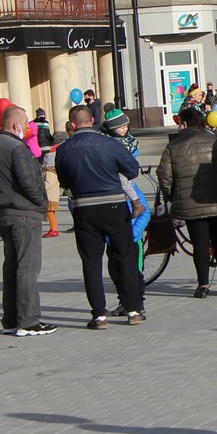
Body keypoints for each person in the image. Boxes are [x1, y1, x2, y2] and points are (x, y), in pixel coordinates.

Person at [55, 104, 146, 326]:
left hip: (84, 208)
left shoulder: (64, 149)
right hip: (114, 206)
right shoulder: (110, 144)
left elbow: (64, 182)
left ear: (72, 124)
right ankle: (133, 310)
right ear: (93, 120)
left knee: (91, 261)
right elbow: (132, 170)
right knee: (124, 256)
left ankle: (98, 315)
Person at [0, 105, 54, 335]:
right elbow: (28, 181)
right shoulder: (17, 148)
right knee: (27, 266)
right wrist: (41, 204)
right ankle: (28, 320)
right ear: (16, 125)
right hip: (23, 212)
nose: (30, 127)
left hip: (3, 211)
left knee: (11, 265)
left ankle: (11, 320)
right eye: (27, 122)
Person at [157, 106, 217, 298]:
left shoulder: (173, 146)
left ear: (184, 123)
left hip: (190, 202)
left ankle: (203, 285)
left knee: (200, 244)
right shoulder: (216, 140)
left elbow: (164, 176)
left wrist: (171, 196)